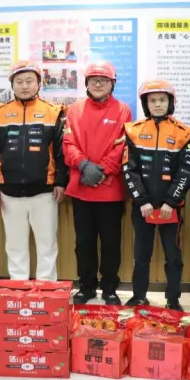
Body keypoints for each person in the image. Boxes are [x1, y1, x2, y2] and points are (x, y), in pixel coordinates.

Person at [0, 60, 67, 281]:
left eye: (29, 81)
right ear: (12, 85)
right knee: (15, 245)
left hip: (45, 192)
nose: (24, 86)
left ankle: (46, 287)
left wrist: (60, 182)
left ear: (39, 84)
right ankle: (18, 285)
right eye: (19, 81)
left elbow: (61, 152)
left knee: (47, 244)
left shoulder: (53, 112)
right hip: (9, 193)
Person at [62, 60, 132, 305]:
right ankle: (86, 286)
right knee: (84, 242)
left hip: (110, 189)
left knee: (111, 243)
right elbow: (68, 143)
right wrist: (84, 166)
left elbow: (122, 147)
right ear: (86, 83)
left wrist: (101, 171)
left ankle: (110, 287)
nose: (98, 84)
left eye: (103, 80)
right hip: (81, 187)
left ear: (113, 83)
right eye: (93, 80)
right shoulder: (74, 110)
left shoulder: (123, 110)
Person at [122, 79, 190, 311]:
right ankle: (138, 296)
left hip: (171, 209)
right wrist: (141, 200)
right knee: (141, 255)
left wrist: (171, 202)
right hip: (142, 208)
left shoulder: (185, 133)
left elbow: (186, 171)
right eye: (152, 100)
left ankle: (173, 300)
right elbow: (128, 169)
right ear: (146, 104)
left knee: (173, 257)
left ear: (170, 102)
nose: (158, 104)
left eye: (162, 100)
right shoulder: (133, 130)